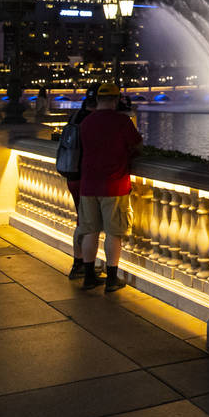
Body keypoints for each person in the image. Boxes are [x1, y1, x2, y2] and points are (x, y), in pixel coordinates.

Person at [77, 82, 142, 292]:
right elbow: (137, 145)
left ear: (97, 100)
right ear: (116, 100)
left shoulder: (86, 122)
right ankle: (112, 279)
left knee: (90, 231)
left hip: (88, 184)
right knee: (114, 233)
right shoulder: (122, 121)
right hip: (114, 185)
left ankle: (88, 277)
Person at [65, 92, 97, 279]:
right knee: (87, 224)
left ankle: (79, 262)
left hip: (72, 174)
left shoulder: (75, 117)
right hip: (86, 178)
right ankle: (83, 266)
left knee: (81, 221)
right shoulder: (92, 121)